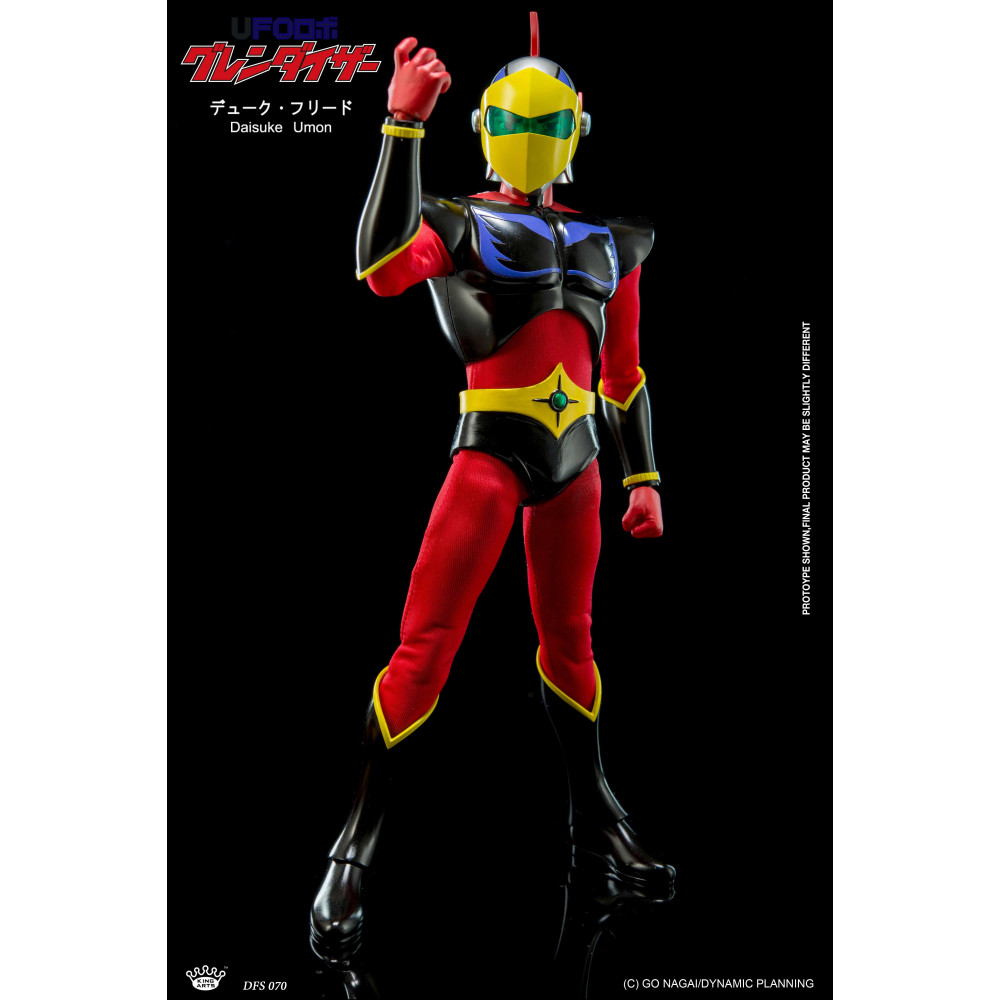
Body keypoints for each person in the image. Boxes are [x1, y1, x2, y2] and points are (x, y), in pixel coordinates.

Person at [310, 16, 674, 967]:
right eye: (522, 123)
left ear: (576, 127)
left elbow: (623, 374)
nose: (534, 137)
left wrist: (642, 474)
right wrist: (400, 126)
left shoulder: (612, 241)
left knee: (572, 644)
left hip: (577, 465)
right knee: (424, 647)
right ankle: (354, 851)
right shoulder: (457, 220)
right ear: (488, 128)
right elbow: (379, 269)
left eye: (546, 124)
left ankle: (597, 825)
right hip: (491, 458)